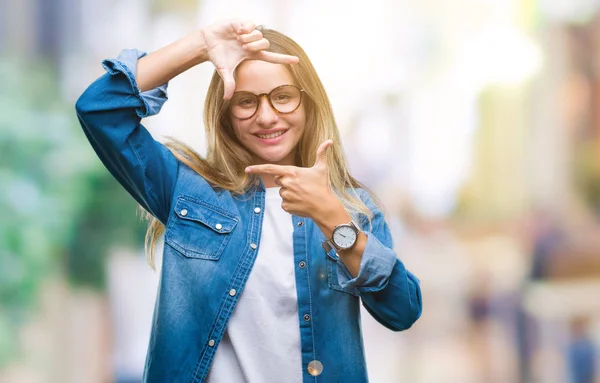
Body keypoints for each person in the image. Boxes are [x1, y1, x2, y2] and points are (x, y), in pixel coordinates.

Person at [75, 18, 422, 383]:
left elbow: (402, 310)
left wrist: (333, 218)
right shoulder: (188, 193)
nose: (267, 115)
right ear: (226, 114)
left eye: (283, 96)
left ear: (309, 104)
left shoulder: (352, 208)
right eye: (245, 102)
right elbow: (100, 109)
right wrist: (201, 45)